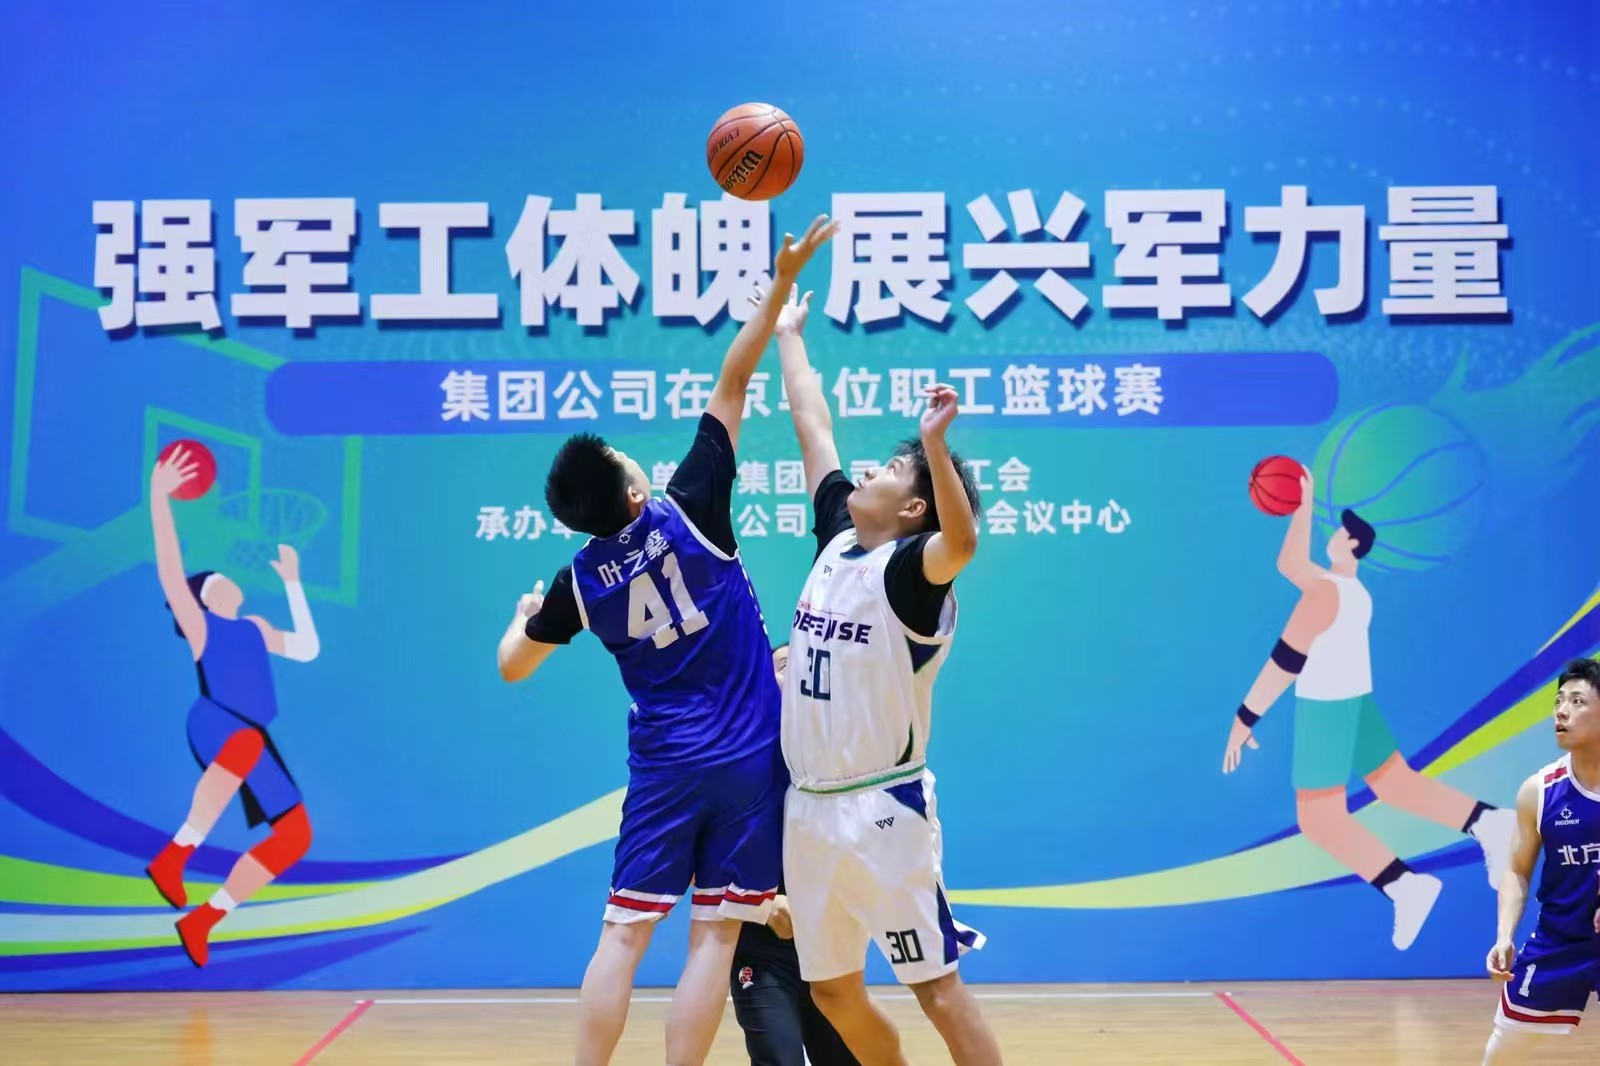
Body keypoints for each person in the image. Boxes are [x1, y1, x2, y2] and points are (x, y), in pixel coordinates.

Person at [496, 216, 835, 1066]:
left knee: (622, 935)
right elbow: (734, 378)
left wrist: (520, 617)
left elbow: (513, 667)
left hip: (665, 764)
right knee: (714, 938)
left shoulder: (578, 581)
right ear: (635, 490)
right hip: (749, 758)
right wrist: (779, 288)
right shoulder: (693, 507)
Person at [766, 283, 1002, 1066]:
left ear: (913, 510)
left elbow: (962, 544)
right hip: (809, 809)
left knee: (936, 988)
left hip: (882, 811)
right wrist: (788, 334)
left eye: (896, 469)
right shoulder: (839, 539)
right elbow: (813, 426)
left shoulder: (910, 574)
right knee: (832, 993)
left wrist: (934, 445)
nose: (872, 468)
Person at [1222, 470, 1516, 950]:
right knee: (1397, 785)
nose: (1333, 533)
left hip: (1327, 711)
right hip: (1357, 703)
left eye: (1341, 531)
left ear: (1353, 544)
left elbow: (1286, 661)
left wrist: (1245, 717)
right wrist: (1303, 503)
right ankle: (1489, 822)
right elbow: (1289, 563)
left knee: (1319, 819)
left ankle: (1405, 886)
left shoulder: (1324, 593)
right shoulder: (1351, 592)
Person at [143, 446, 322, 967]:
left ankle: (204, 919)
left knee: (295, 835)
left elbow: (308, 649)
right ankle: (174, 856)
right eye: (215, 576)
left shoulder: (255, 628)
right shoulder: (202, 627)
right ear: (203, 597)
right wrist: (159, 495)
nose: (226, 576)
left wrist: (293, 584)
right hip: (214, 721)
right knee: (242, 745)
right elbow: (170, 569)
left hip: (251, 735)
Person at [731, 643, 860, 1066]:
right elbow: (694, 865)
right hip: (761, 953)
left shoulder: (840, 764)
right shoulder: (736, 761)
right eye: (784, 664)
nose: (797, 672)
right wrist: (762, 905)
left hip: (829, 954)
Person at [1481, 657, 1600, 1063]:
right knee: (1504, 1052)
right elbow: (1517, 870)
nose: (1562, 711)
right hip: (1561, 939)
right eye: (1559, 700)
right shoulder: (1540, 791)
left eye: (1577, 701)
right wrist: (1504, 936)